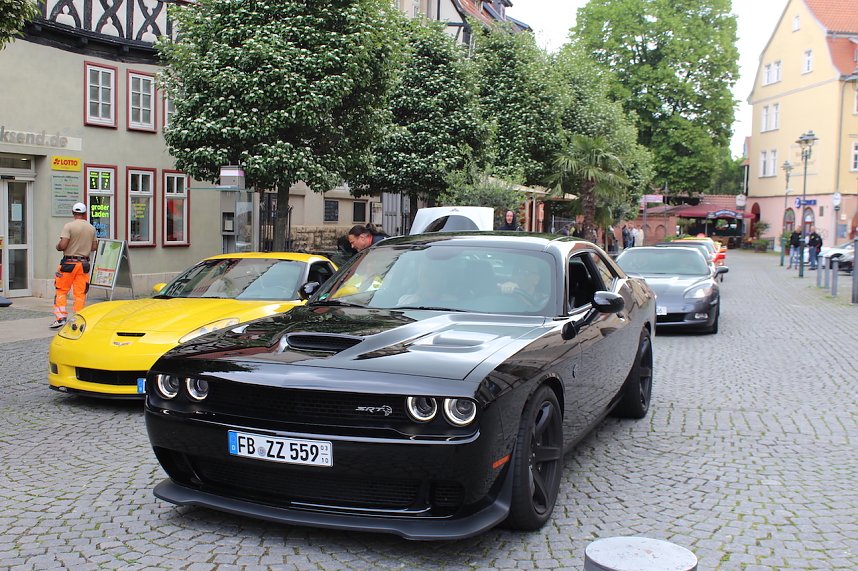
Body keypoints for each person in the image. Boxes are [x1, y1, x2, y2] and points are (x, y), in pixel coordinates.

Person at [52, 202, 97, 328]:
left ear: (73, 213)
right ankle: (78, 318)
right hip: (83, 265)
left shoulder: (69, 226)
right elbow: (94, 247)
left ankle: (60, 318)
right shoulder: (91, 228)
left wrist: (58, 246)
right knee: (80, 293)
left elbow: (63, 245)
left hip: (68, 264)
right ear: (84, 214)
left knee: (61, 290)